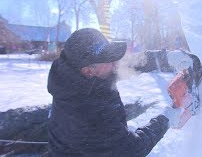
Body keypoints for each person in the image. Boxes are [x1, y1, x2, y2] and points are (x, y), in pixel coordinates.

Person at [47, 28, 181, 157]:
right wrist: (165, 120)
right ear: (88, 71)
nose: (116, 62)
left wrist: (166, 58)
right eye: (109, 60)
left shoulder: (80, 76)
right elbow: (130, 150)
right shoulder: (87, 114)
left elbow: (129, 65)